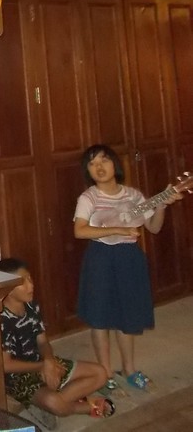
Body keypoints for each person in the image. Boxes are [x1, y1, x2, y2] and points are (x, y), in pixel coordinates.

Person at [73, 144, 183, 394]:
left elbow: (154, 227)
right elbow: (80, 230)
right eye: (92, 164)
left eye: (104, 160)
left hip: (129, 257)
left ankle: (130, 370)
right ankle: (105, 373)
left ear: (115, 163)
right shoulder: (88, 198)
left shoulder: (133, 196)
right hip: (100, 257)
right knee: (100, 318)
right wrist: (117, 229)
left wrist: (162, 205)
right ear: (88, 171)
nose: (99, 167)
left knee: (128, 314)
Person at [0, 257, 113, 429]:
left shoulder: (31, 306)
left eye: (30, 278)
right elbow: (6, 365)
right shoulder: (2, 319)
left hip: (42, 363)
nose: (31, 286)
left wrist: (49, 360)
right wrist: (42, 366)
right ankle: (84, 407)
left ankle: (52, 403)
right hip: (19, 377)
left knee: (100, 373)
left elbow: (43, 341)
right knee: (54, 402)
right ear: (7, 288)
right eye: (23, 282)